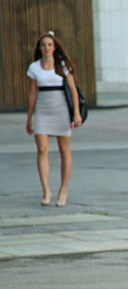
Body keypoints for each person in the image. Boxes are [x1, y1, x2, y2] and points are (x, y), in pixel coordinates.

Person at [25, 31, 83, 207]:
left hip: (62, 110)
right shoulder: (34, 67)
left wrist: (76, 113)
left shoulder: (63, 66)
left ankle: (63, 190)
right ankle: (46, 190)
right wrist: (29, 118)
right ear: (39, 48)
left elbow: (73, 90)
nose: (46, 48)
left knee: (64, 150)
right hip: (43, 110)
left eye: (49, 45)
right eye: (43, 45)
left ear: (54, 47)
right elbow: (33, 93)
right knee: (42, 149)